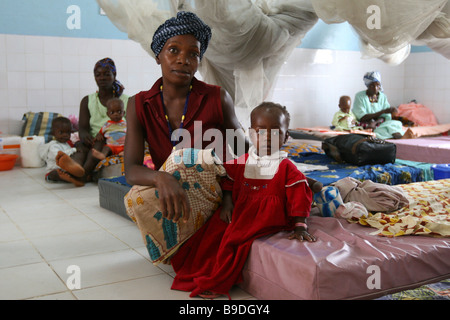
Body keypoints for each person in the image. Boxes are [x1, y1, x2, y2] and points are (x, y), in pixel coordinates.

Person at [170, 102, 316, 299]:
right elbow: (227, 182)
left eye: (276, 132)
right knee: (211, 233)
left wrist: (300, 225)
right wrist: (227, 204)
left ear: (286, 136)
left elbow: (299, 196)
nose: (267, 138)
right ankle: (196, 268)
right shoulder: (243, 160)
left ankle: (217, 280)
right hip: (239, 210)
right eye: (260, 131)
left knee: (234, 242)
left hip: (266, 217)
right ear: (250, 134)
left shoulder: (286, 166)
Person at [124, 11, 249, 223]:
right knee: (134, 200)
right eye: (173, 50)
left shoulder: (217, 98)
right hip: (171, 189)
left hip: (217, 189)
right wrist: (159, 177)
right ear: (158, 56)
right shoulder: (139, 105)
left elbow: (242, 151)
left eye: (193, 54)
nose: (183, 60)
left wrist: (277, 167)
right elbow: (131, 170)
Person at [71, 57, 129, 181]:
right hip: (92, 140)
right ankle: (71, 170)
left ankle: (81, 175)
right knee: (81, 150)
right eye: (98, 75)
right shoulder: (87, 100)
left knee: (97, 147)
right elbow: (83, 128)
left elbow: (132, 128)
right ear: (94, 77)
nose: (102, 78)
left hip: (114, 142)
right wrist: (86, 137)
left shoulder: (126, 101)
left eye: (106, 74)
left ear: (114, 75)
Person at [352, 71, 404, 139]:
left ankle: (382, 134)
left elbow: (386, 116)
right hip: (365, 123)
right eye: (372, 85)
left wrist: (375, 122)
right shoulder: (360, 96)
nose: (375, 88)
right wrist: (383, 111)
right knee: (375, 129)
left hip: (379, 122)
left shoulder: (383, 97)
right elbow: (362, 117)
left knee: (396, 123)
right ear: (367, 85)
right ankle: (392, 134)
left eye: (378, 85)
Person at [39, 117, 85, 187]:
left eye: (68, 133)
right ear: (53, 133)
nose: (65, 135)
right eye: (61, 132)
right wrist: (73, 150)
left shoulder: (67, 144)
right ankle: (66, 177)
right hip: (54, 169)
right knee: (54, 174)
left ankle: (70, 177)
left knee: (69, 172)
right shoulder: (53, 146)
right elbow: (58, 157)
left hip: (66, 169)